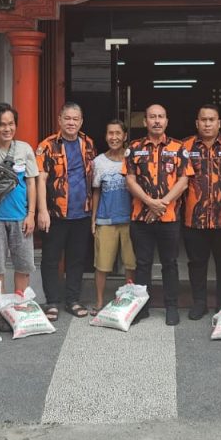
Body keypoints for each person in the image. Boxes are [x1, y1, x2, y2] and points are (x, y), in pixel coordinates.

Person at [124, 104, 193, 326]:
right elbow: (130, 180)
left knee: (170, 263)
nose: (156, 121)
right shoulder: (134, 148)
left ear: (166, 121)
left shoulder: (179, 148)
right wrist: (149, 202)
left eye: (160, 117)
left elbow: (184, 181)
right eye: (152, 117)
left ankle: (171, 307)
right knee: (143, 263)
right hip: (140, 218)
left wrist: (162, 204)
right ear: (145, 121)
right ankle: (141, 308)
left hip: (168, 218)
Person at [0, 103, 39, 329]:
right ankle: (0, 314)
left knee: (23, 266)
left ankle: (20, 311)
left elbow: (31, 183)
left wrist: (31, 214)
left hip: (21, 217)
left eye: (11, 124)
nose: (7, 129)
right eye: (1, 124)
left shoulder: (24, 149)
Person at [37, 102, 97, 320]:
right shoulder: (47, 145)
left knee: (77, 259)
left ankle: (72, 299)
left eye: (75, 119)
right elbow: (40, 179)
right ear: (60, 120)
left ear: (81, 122)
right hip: (55, 213)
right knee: (51, 259)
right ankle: (52, 302)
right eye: (67, 118)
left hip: (82, 212)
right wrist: (42, 210)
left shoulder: (88, 143)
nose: (71, 122)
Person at [182, 104, 221, 319]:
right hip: (194, 219)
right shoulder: (185, 146)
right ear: (197, 123)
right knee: (197, 264)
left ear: (219, 123)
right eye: (203, 120)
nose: (207, 124)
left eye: (211, 120)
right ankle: (199, 303)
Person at [90, 119, 136, 315]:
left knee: (131, 263)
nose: (114, 137)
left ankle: (129, 302)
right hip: (105, 219)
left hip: (130, 219)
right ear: (106, 136)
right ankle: (99, 301)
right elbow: (96, 192)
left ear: (125, 136)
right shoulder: (98, 162)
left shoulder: (132, 158)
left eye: (118, 133)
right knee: (102, 264)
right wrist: (93, 219)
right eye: (111, 133)